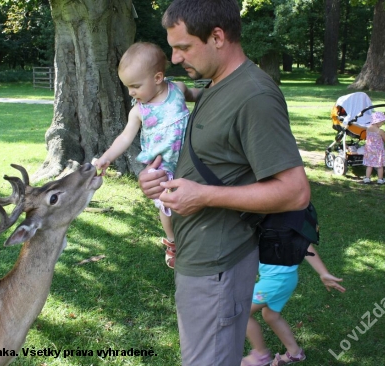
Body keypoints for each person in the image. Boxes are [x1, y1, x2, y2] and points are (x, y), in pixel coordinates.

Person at [137, 0, 310, 364]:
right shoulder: (216, 82)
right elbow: (218, 160)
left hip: (219, 265)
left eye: (183, 47)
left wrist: (204, 195)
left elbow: (295, 192)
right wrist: (162, 179)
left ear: (217, 37)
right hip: (199, 255)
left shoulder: (255, 96)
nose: (175, 59)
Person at [94, 42, 190, 269]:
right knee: (166, 201)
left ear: (158, 78)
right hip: (162, 166)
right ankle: (172, 242)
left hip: (188, 159)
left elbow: (200, 97)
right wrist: (107, 156)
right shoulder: (139, 110)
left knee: (189, 201)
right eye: (127, 87)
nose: (131, 92)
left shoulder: (178, 89)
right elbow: (125, 138)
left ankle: (192, 236)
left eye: (135, 86)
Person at [241, 245, 346, 366]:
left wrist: (323, 272)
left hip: (276, 280)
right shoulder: (260, 225)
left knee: (243, 312)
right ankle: (295, 352)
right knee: (271, 316)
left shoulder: (282, 226)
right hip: (277, 279)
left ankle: (261, 356)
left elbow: (304, 244)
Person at [363, 112, 385, 184]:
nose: (382, 124)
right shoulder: (380, 131)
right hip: (378, 151)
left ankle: (367, 178)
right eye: (382, 122)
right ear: (377, 122)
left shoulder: (368, 128)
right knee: (379, 165)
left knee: (369, 165)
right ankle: (380, 179)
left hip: (369, 149)